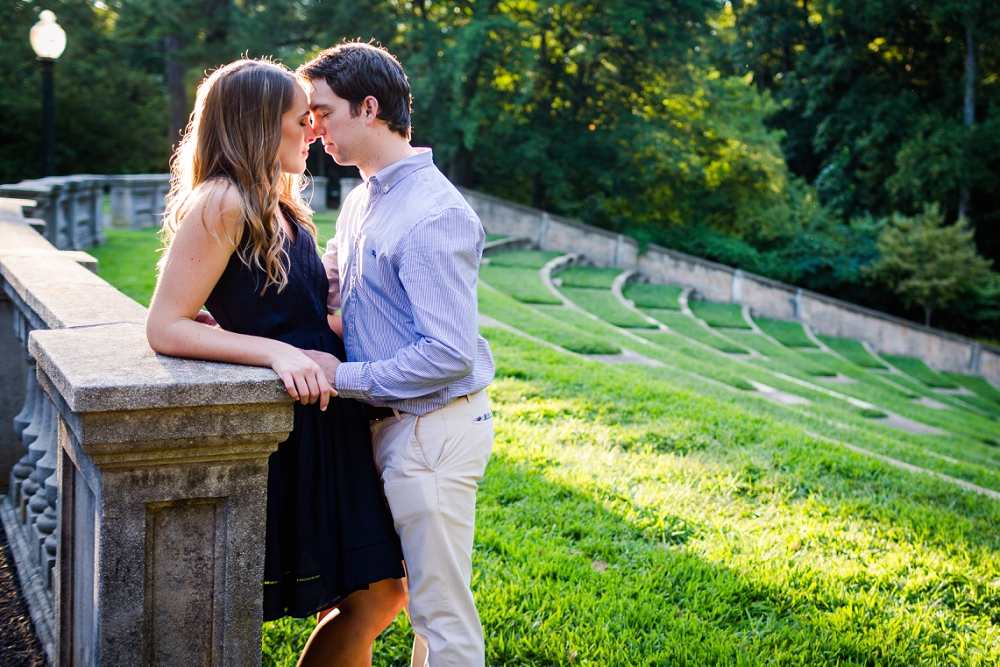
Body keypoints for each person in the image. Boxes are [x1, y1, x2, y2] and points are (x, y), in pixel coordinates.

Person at [144, 58, 406, 667]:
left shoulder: (277, 203)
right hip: (297, 433)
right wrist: (276, 351)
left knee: (374, 594)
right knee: (378, 595)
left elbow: (291, 314)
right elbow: (165, 324)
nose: (314, 129)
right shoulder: (223, 200)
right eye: (301, 118)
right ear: (260, 126)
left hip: (329, 423)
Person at [297, 43, 496, 667]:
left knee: (441, 615)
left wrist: (343, 375)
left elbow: (449, 354)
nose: (314, 129)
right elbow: (334, 292)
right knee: (397, 597)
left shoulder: (433, 213)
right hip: (387, 427)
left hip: (431, 429)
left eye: (323, 112)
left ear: (370, 107)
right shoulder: (362, 199)